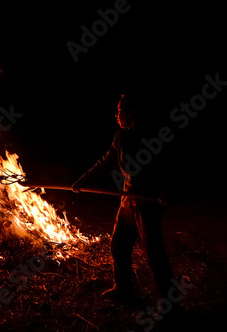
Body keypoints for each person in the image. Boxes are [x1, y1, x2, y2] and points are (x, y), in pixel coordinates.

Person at [72, 94, 175, 301]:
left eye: (119, 111)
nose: (116, 114)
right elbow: (105, 161)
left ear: (130, 113)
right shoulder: (121, 137)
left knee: (154, 254)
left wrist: (166, 191)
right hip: (128, 200)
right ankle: (123, 288)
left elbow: (171, 167)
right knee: (118, 245)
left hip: (148, 202)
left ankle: (169, 302)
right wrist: (82, 180)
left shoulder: (154, 136)